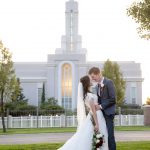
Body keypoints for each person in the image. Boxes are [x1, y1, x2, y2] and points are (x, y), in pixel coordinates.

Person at [58, 75, 108, 150]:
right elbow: (93, 110)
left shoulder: (87, 95)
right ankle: (97, 147)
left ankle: (98, 147)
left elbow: (89, 107)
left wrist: (96, 105)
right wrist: (97, 124)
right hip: (96, 115)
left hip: (95, 114)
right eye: (90, 80)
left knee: (95, 134)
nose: (91, 80)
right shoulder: (89, 95)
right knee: (96, 133)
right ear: (87, 83)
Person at [89, 67, 116, 150]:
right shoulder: (97, 86)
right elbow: (100, 99)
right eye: (91, 77)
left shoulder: (109, 82)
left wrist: (100, 106)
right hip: (100, 114)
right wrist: (97, 104)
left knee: (110, 135)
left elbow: (113, 99)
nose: (92, 79)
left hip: (108, 113)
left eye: (93, 77)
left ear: (98, 74)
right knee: (102, 134)